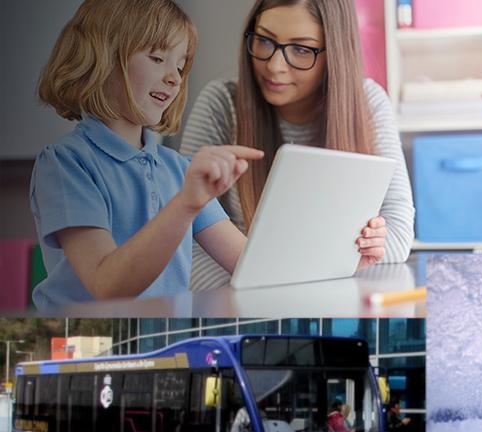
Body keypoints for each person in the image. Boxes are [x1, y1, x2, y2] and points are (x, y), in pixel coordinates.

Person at [29, 0, 265, 308]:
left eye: (180, 67)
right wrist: (185, 205)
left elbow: (254, 268)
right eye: (157, 58)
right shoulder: (65, 164)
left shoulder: (179, 169)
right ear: (102, 57)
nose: (175, 78)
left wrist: (346, 259)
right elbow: (107, 286)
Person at [180, 0, 415, 291]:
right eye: (265, 40)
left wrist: (371, 244)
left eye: (302, 49)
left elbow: (399, 233)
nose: (274, 66)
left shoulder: (368, 102)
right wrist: (247, 295)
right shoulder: (221, 103)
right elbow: (183, 232)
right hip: (242, 299)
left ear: (335, 53)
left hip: (335, 297)